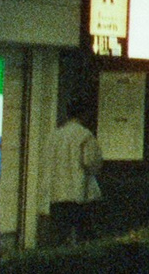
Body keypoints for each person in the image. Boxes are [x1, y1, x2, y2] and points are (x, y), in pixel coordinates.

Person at [41, 101, 103, 247]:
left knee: (60, 237)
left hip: (56, 194)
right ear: (84, 114)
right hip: (79, 194)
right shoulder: (85, 135)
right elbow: (92, 162)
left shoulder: (54, 136)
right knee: (84, 235)